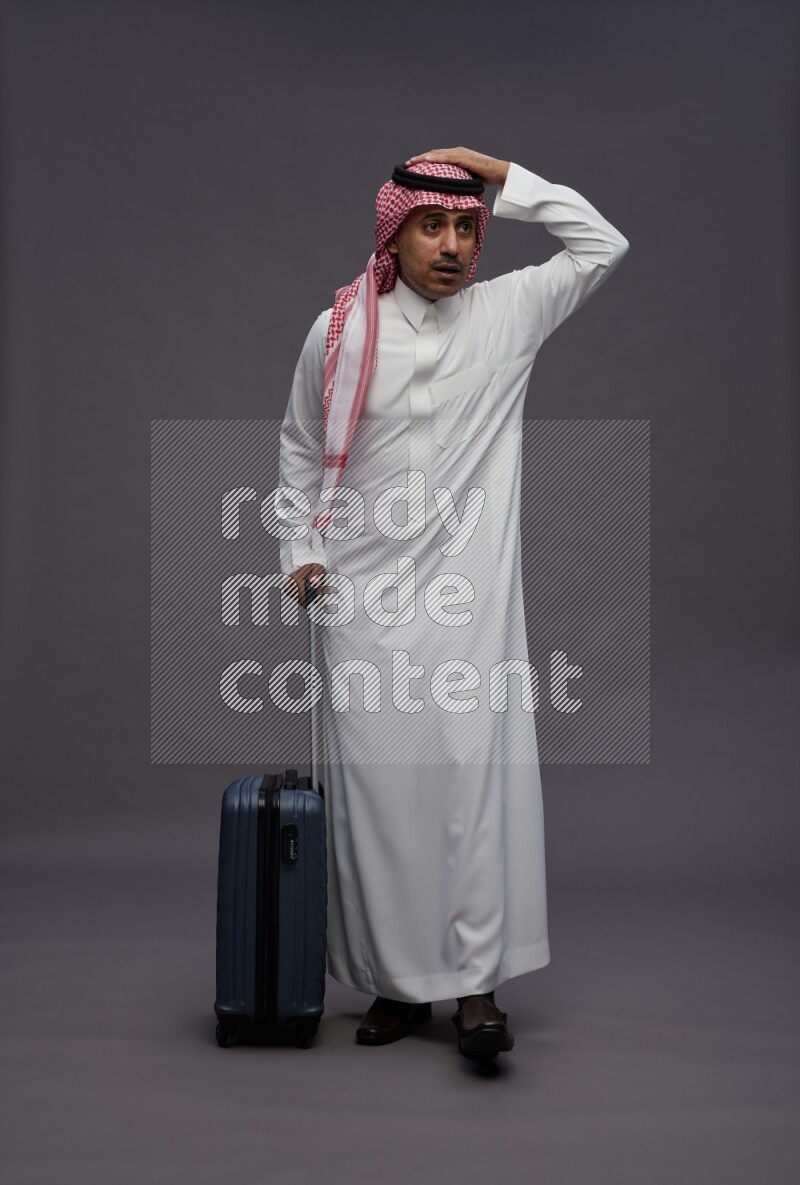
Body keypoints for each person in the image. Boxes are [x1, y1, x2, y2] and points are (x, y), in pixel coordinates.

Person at [277, 147, 629, 1059]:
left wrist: (505, 177)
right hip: (362, 605)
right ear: (393, 231)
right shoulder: (341, 330)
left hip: (471, 602)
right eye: (433, 224)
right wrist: (301, 551)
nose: (454, 244)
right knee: (384, 801)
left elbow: (601, 245)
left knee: (474, 788)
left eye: (467, 227)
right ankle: (399, 987)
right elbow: (302, 446)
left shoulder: (508, 313)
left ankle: (477, 991)